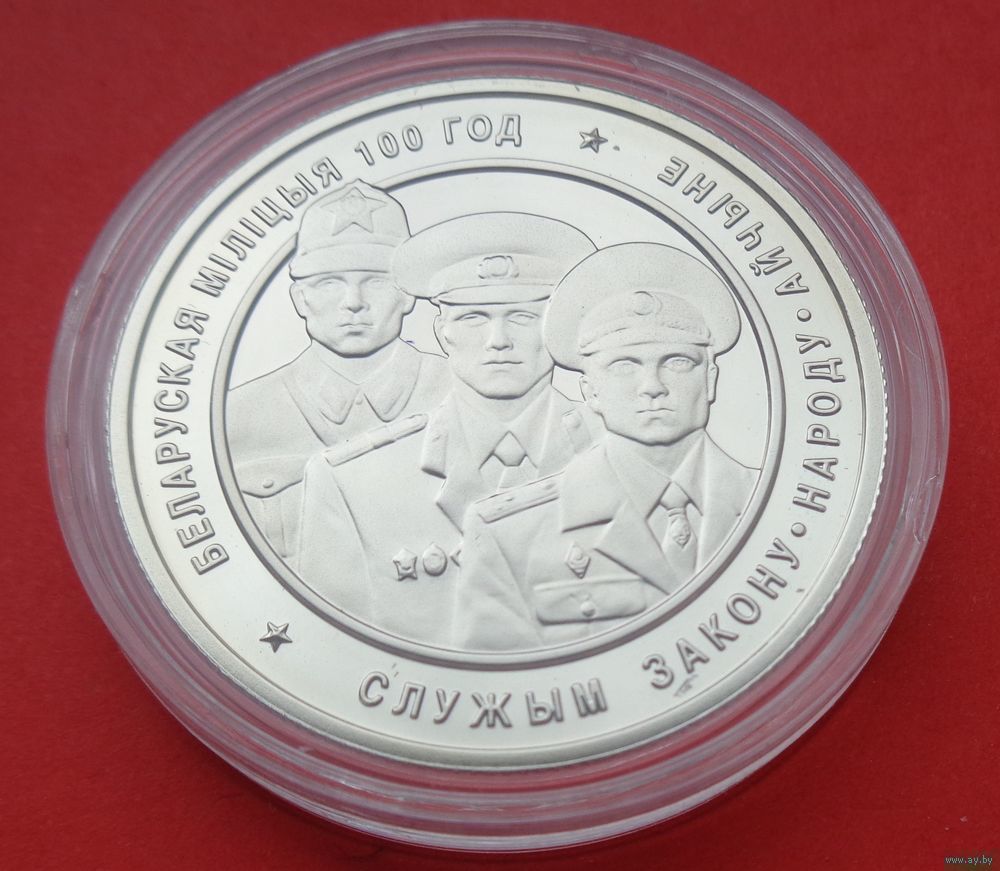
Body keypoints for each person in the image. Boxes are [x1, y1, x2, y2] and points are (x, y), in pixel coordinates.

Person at [296, 212, 600, 646]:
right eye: (474, 318)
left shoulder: (625, 453)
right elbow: (331, 650)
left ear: (558, 332)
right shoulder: (349, 482)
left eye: (522, 317)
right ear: (442, 331)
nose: (498, 340)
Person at [456, 243, 759, 651]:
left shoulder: (770, 499)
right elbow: (496, 676)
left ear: (711, 380)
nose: (652, 386)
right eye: (624, 366)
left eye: (677, 362)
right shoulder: (510, 534)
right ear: (590, 391)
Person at [226, 180, 449, 560]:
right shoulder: (236, 418)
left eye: (376, 281)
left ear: (407, 295)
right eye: (330, 283)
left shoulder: (467, 396)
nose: (354, 302)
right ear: (300, 298)